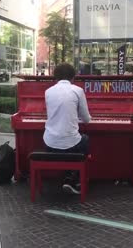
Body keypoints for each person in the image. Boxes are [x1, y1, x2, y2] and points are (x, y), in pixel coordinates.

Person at [43, 63, 91, 194]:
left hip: (49, 144)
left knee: (67, 139)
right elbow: (86, 119)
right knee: (85, 139)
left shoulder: (48, 91)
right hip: (71, 144)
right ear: (73, 78)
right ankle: (72, 178)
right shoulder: (78, 91)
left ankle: (69, 177)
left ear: (55, 78)